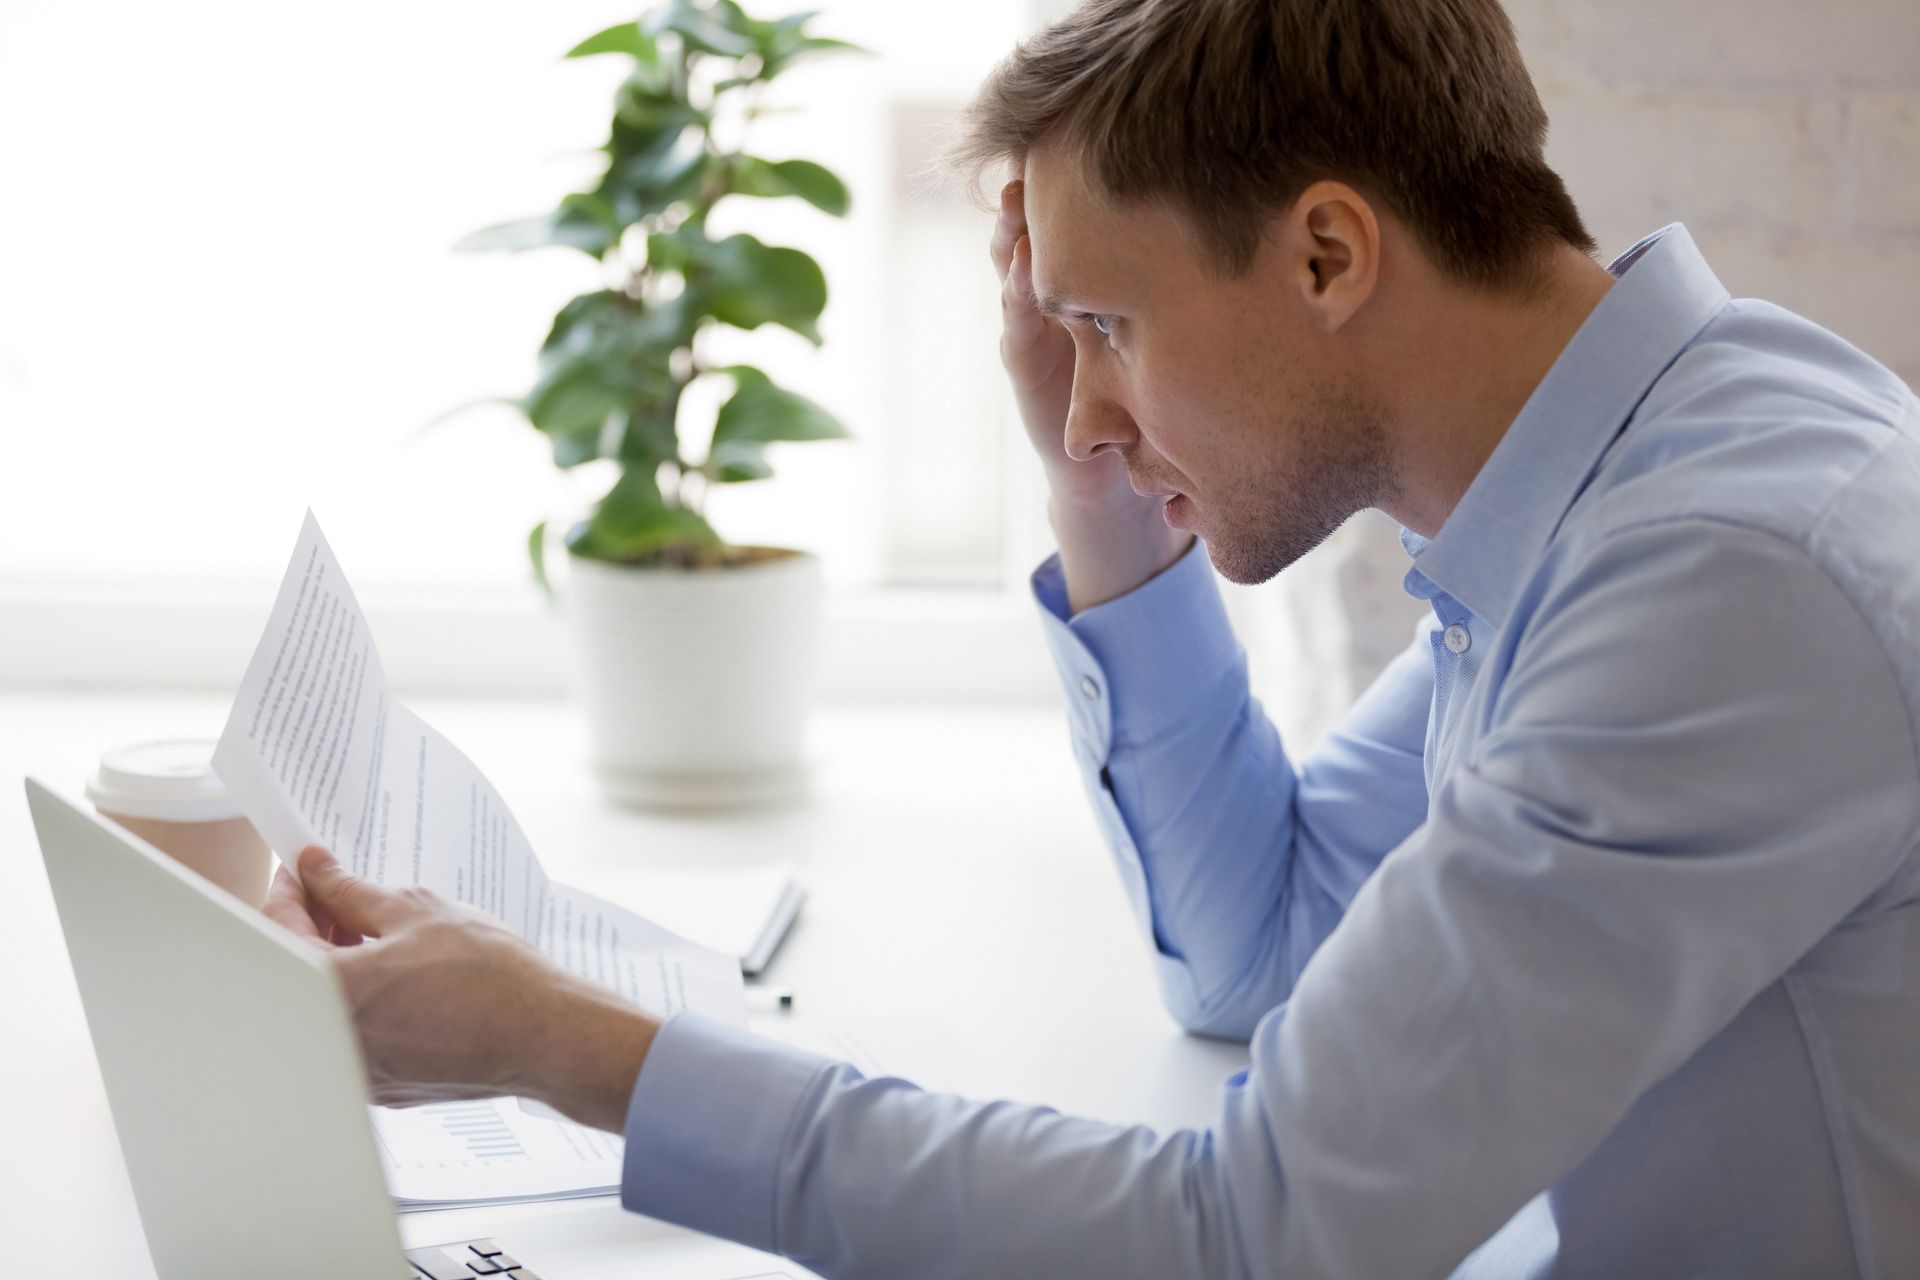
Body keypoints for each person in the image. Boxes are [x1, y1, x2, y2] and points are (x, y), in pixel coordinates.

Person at [264, 0, 1920, 1275]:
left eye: (1108, 327)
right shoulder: (1610, 482)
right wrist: (1098, 482)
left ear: (1329, 253)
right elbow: (1264, 951)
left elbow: (1250, 1238)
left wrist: (572, 1051)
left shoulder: (1720, 581)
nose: (1089, 403)